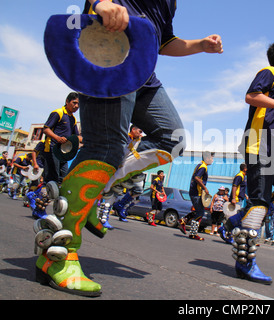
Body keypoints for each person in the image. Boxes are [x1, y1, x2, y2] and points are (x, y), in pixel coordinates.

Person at [34, 0, 223, 297]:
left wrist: (199, 44)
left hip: (142, 72)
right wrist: (100, 3)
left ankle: (98, 192)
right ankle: (56, 255)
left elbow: (163, 40)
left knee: (172, 140)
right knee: (105, 148)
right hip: (108, 53)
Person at [225, 40, 274, 284]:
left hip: (272, 146)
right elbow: (251, 96)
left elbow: (271, 121)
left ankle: (240, 218)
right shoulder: (269, 73)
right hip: (259, 144)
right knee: (259, 203)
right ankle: (244, 263)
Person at [42, 92, 80, 184]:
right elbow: (46, 129)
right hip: (52, 148)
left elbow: (77, 136)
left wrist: (90, 141)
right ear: (67, 101)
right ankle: (41, 195)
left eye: (78, 104)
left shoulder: (73, 119)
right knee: (52, 177)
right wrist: (57, 138)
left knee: (64, 178)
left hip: (64, 152)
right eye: (74, 103)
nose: (76, 106)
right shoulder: (58, 113)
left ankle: (55, 197)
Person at [178, 151, 215, 240]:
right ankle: (193, 233)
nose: (212, 160)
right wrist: (204, 188)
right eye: (211, 158)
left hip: (194, 192)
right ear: (207, 158)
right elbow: (197, 178)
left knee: (198, 210)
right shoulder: (203, 167)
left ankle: (184, 220)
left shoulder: (200, 165)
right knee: (200, 213)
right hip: (196, 193)